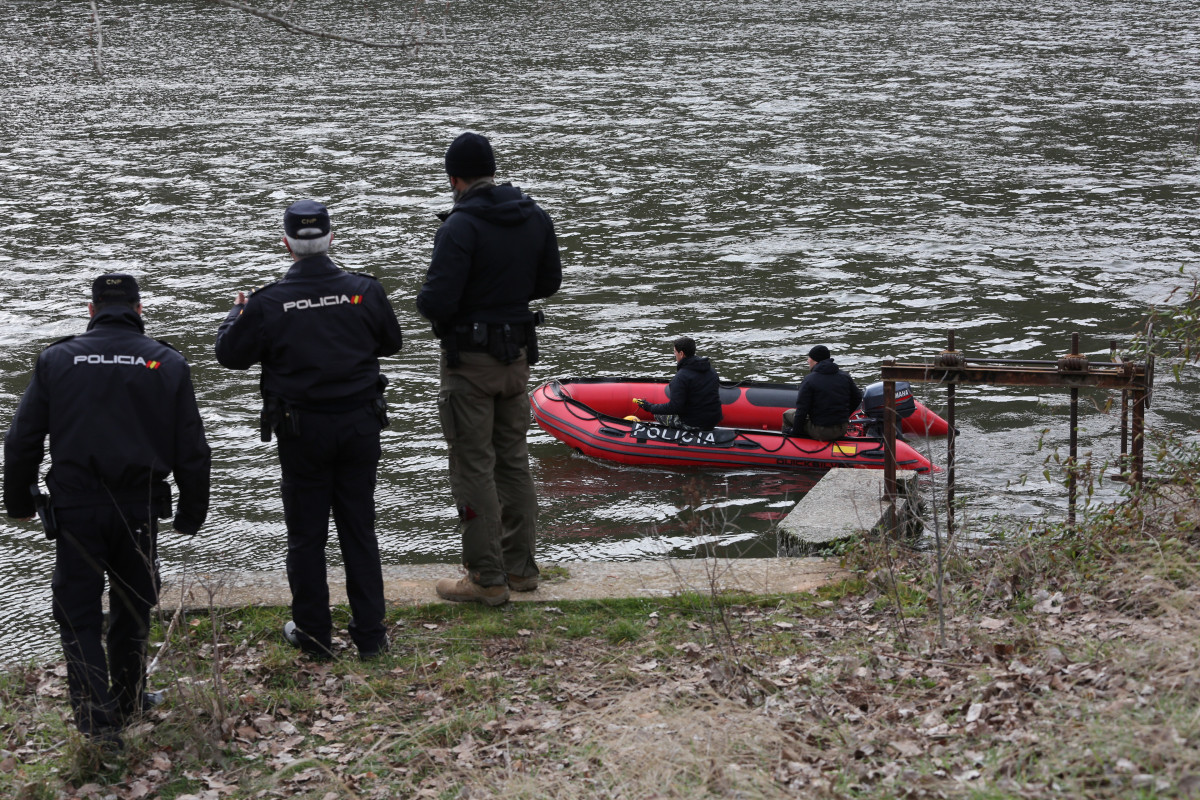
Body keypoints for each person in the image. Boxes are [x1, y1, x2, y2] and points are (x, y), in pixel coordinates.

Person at [3, 273, 211, 750]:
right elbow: (192, 448)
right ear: (139, 309)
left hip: (76, 508)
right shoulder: (166, 361)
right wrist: (191, 512)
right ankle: (128, 700)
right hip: (139, 506)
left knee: (77, 615)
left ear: (91, 310)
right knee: (132, 607)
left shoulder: (58, 359)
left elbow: (22, 441)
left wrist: (18, 501)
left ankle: (100, 726)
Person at [215, 200, 402, 660]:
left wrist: (234, 315)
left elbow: (230, 356)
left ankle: (315, 636)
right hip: (360, 425)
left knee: (306, 534)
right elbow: (392, 343)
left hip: (303, 432)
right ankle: (371, 637)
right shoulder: (364, 291)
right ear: (331, 238)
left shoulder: (267, 302)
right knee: (359, 528)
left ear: (286, 243)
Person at [416, 131, 562, 607]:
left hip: (469, 363)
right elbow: (549, 281)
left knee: (472, 464)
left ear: (454, 178)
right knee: (514, 461)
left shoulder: (459, 227)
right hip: (516, 359)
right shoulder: (532, 215)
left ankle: (486, 577)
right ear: (492, 170)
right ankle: (521, 569)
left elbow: (435, 301)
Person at [633, 336, 723, 430]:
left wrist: (649, 407)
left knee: (658, 415)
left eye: (675, 352)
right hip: (714, 419)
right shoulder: (711, 370)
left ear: (681, 353)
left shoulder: (681, 378)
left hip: (695, 422)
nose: (674, 355)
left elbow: (674, 408)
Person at [783, 345, 863, 441]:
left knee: (788, 414)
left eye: (809, 358)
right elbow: (857, 397)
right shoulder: (845, 376)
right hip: (842, 428)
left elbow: (802, 410)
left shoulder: (810, 380)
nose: (808, 361)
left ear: (815, 361)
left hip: (822, 431)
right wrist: (844, 416)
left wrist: (795, 431)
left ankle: (791, 445)